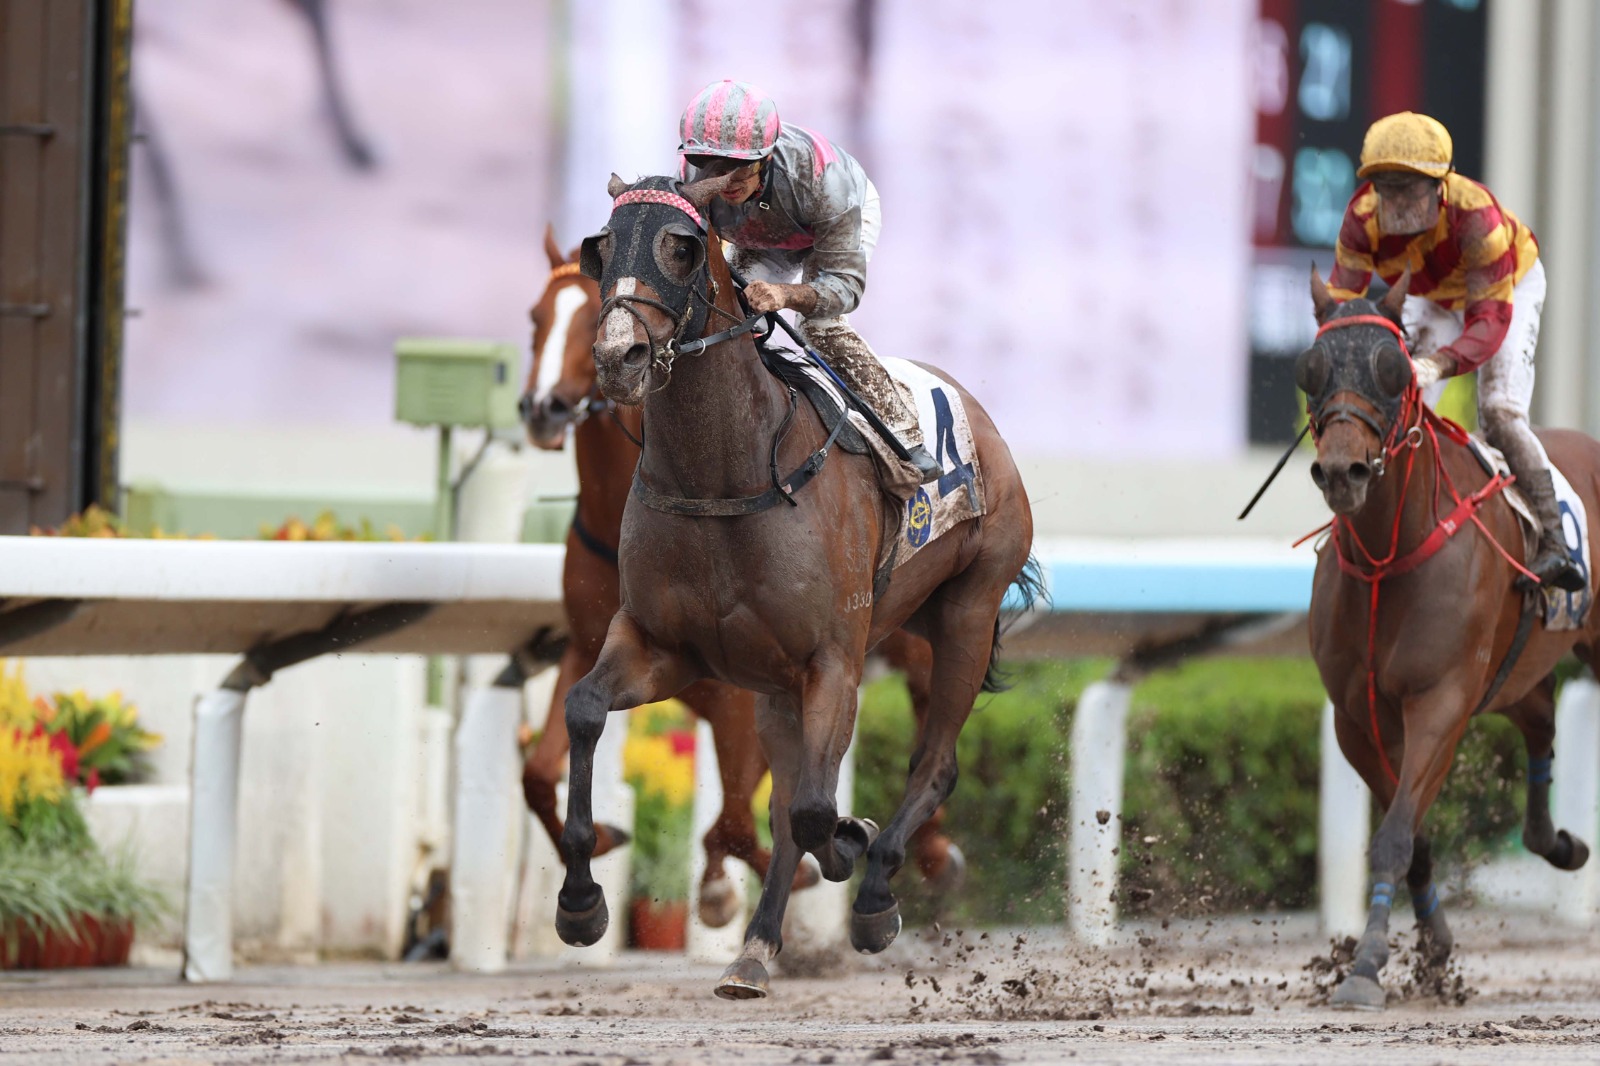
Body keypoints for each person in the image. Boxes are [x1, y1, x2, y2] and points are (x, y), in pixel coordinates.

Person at [1329, 111, 1584, 592]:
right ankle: (1377, 533)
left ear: (1440, 185)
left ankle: (1555, 541)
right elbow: (1342, 307)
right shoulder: (1361, 219)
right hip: (1432, 293)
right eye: (1386, 187)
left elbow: (1488, 323)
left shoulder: (1476, 217)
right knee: (1396, 410)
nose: (1396, 203)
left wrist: (1434, 363)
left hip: (1506, 287)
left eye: (1410, 188)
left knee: (1500, 413)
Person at [676, 79, 942, 485]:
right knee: (725, 311)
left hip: (830, 223)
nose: (726, 180)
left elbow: (844, 288)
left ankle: (904, 435)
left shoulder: (824, 184)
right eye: (711, 164)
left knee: (819, 327)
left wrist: (785, 294)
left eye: (740, 167)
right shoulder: (690, 179)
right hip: (760, 232)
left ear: (765, 158)